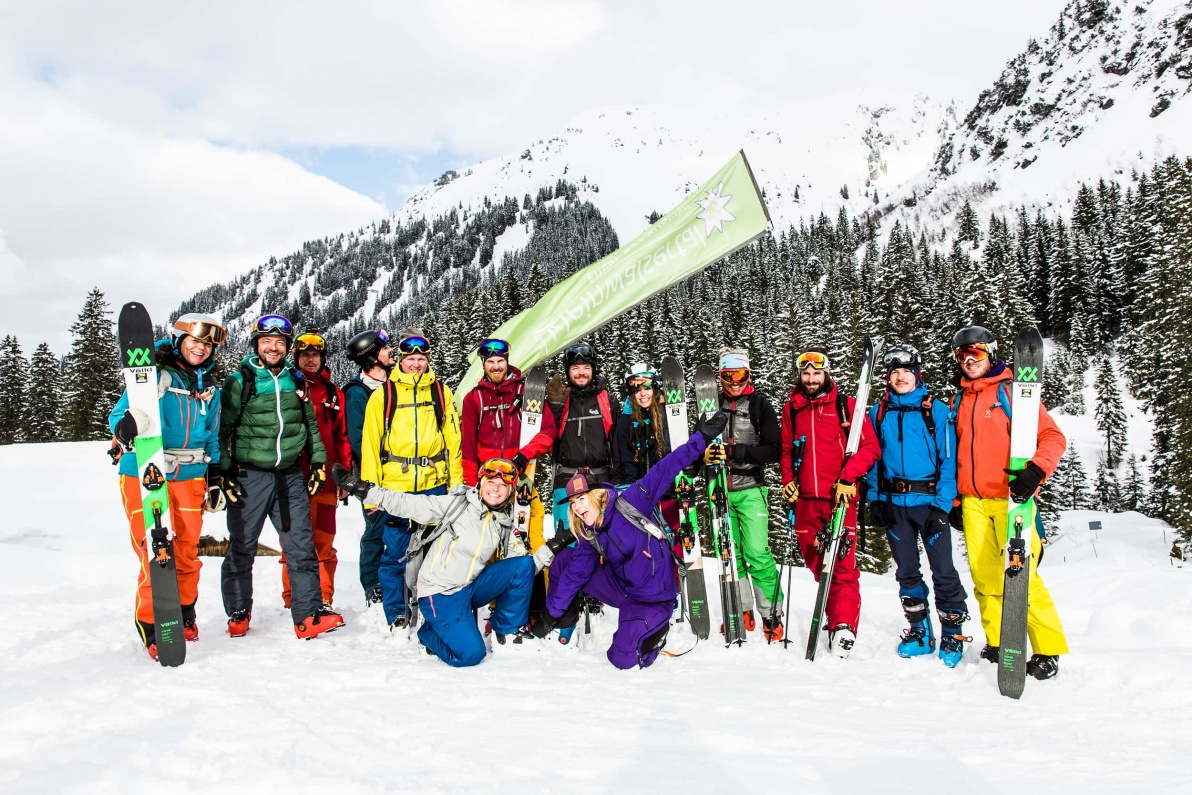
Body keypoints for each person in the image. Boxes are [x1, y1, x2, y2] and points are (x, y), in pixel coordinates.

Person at [331, 458, 573, 668]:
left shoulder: (504, 523)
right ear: (480, 483)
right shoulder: (456, 505)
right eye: (491, 483)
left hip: (469, 589)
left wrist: (553, 546)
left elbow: (524, 567)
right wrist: (361, 489)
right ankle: (428, 636)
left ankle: (506, 631)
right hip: (440, 594)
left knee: (520, 566)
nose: (496, 489)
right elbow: (407, 503)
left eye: (503, 486)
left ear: (510, 491)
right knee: (471, 654)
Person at [542, 410, 728, 669]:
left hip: (654, 597)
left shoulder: (632, 500)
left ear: (596, 495)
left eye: (581, 499)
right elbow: (576, 573)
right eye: (573, 503)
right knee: (565, 561)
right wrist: (550, 614)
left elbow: (668, 466)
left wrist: (702, 438)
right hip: (623, 590)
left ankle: (656, 629)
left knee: (623, 659)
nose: (577, 507)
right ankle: (561, 624)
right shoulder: (588, 531)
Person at [949, 326, 1068, 680]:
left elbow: (1052, 437)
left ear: (991, 353)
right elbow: (957, 454)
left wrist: (1035, 472)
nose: (969, 360)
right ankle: (999, 641)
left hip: (1011, 501)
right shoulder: (959, 399)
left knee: (1023, 577)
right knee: (985, 579)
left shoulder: (1013, 392)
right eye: (962, 355)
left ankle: (1048, 649)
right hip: (973, 503)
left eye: (977, 353)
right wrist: (957, 500)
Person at [217, 313, 342, 639]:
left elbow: (310, 427)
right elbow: (224, 431)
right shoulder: (240, 381)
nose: (273, 348)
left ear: (287, 346)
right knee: (242, 546)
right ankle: (239, 611)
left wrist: (317, 463)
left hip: (288, 475)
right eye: (266, 342)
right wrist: (223, 471)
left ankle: (309, 615)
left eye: (279, 342)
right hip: (250, 475)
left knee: (300, 546)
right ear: (257, 345)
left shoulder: (295, 380)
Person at [109, 313, 225, 661]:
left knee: (187, 550)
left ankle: (184, 611)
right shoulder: (152, 376)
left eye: (207, 344)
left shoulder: (210, 389)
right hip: (145, 472)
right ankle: (151, 620)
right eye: (195, 340)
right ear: (180, 340)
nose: (200, 348)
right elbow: (119, 416)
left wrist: (215, 476)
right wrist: (126, 427)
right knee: (154, 550)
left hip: (190, 475)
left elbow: (213, 435)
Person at [865, 344, 969, 667]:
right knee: (907, 572)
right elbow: (872, 460)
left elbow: (949, 460)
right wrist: (874, 498)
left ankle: (952, 631)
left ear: (916, 375)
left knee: (944, 571)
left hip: (929, 504)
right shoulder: (878, 413)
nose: (900, 378)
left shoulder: (934, 410)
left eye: (905, 373)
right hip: (895, 504)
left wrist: (943, 506)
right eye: (894, 373)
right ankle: (920, 631)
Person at [780, 347, 880, 658]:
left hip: (840, 499)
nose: (811, 379)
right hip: (806, 502)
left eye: (816, 373)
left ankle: (842, 626)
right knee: (816, 565)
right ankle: (834, 615)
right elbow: (786, 452)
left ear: (826, 374)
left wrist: (849, 477)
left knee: (842, 567)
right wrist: (788, 483)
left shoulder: (846, 406)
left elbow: (869, 448)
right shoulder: (793, 408)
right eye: (806, 374)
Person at [360, 328, 463, 630]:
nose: (416, 364)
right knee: (395, 552)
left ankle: (431, 607)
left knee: (434, 551)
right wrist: (371, 492)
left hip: (434, 484)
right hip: (397, 486)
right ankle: (397, 611)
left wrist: (456, 483)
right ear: (401, 361)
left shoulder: (441, 392)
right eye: (410, 359)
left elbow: (452, 441)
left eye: (421, 358)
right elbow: (371, 443)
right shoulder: (384, 395)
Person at [707, 348, 783, 640]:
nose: (734, 382)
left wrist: (736, 452)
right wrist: (704, 455)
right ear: (721, 377)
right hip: (720, 487)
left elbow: (774, 450)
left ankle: (772, 612)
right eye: (728, 376)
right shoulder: (713, 404)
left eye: (740, 375)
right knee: (730, 553)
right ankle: (741, 609)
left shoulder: (759, 404)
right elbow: (697, 439)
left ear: (748, 374)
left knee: (757, 552)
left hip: (750, 486)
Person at [277, 329, 353, 610]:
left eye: (315, 355)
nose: (310, 360)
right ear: (295, 358)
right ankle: (293, 597)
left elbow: (341, 435)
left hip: (326, 480)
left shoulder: (333, 392)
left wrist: (344, 474)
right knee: (292, 542)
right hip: (291, 476)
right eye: (305, 355)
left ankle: (323, 597)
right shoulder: (284, 385)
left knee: (323, 541)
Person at [342, 328, 396, 605]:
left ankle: (396, 579)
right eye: (385, 350)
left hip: (398, 472)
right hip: (371, 473)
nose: (391, 353)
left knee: (401, 527)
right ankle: (372, 582)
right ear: (371, 357)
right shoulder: (357, 393)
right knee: (376, 528)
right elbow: (358, 437)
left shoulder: (394, 385)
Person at [546, 342, 615, 535]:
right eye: (575, 368)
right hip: (566, 479)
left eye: (586, 368)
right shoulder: (560, 400)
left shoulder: (606, 400)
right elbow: (546, 437)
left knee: (604, 537)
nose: (581, 373)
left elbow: (617, 441)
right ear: (568, 372)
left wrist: (618, 479)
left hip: (599, 479)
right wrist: (554, 408)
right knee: (566, 539)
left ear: (593, 369)